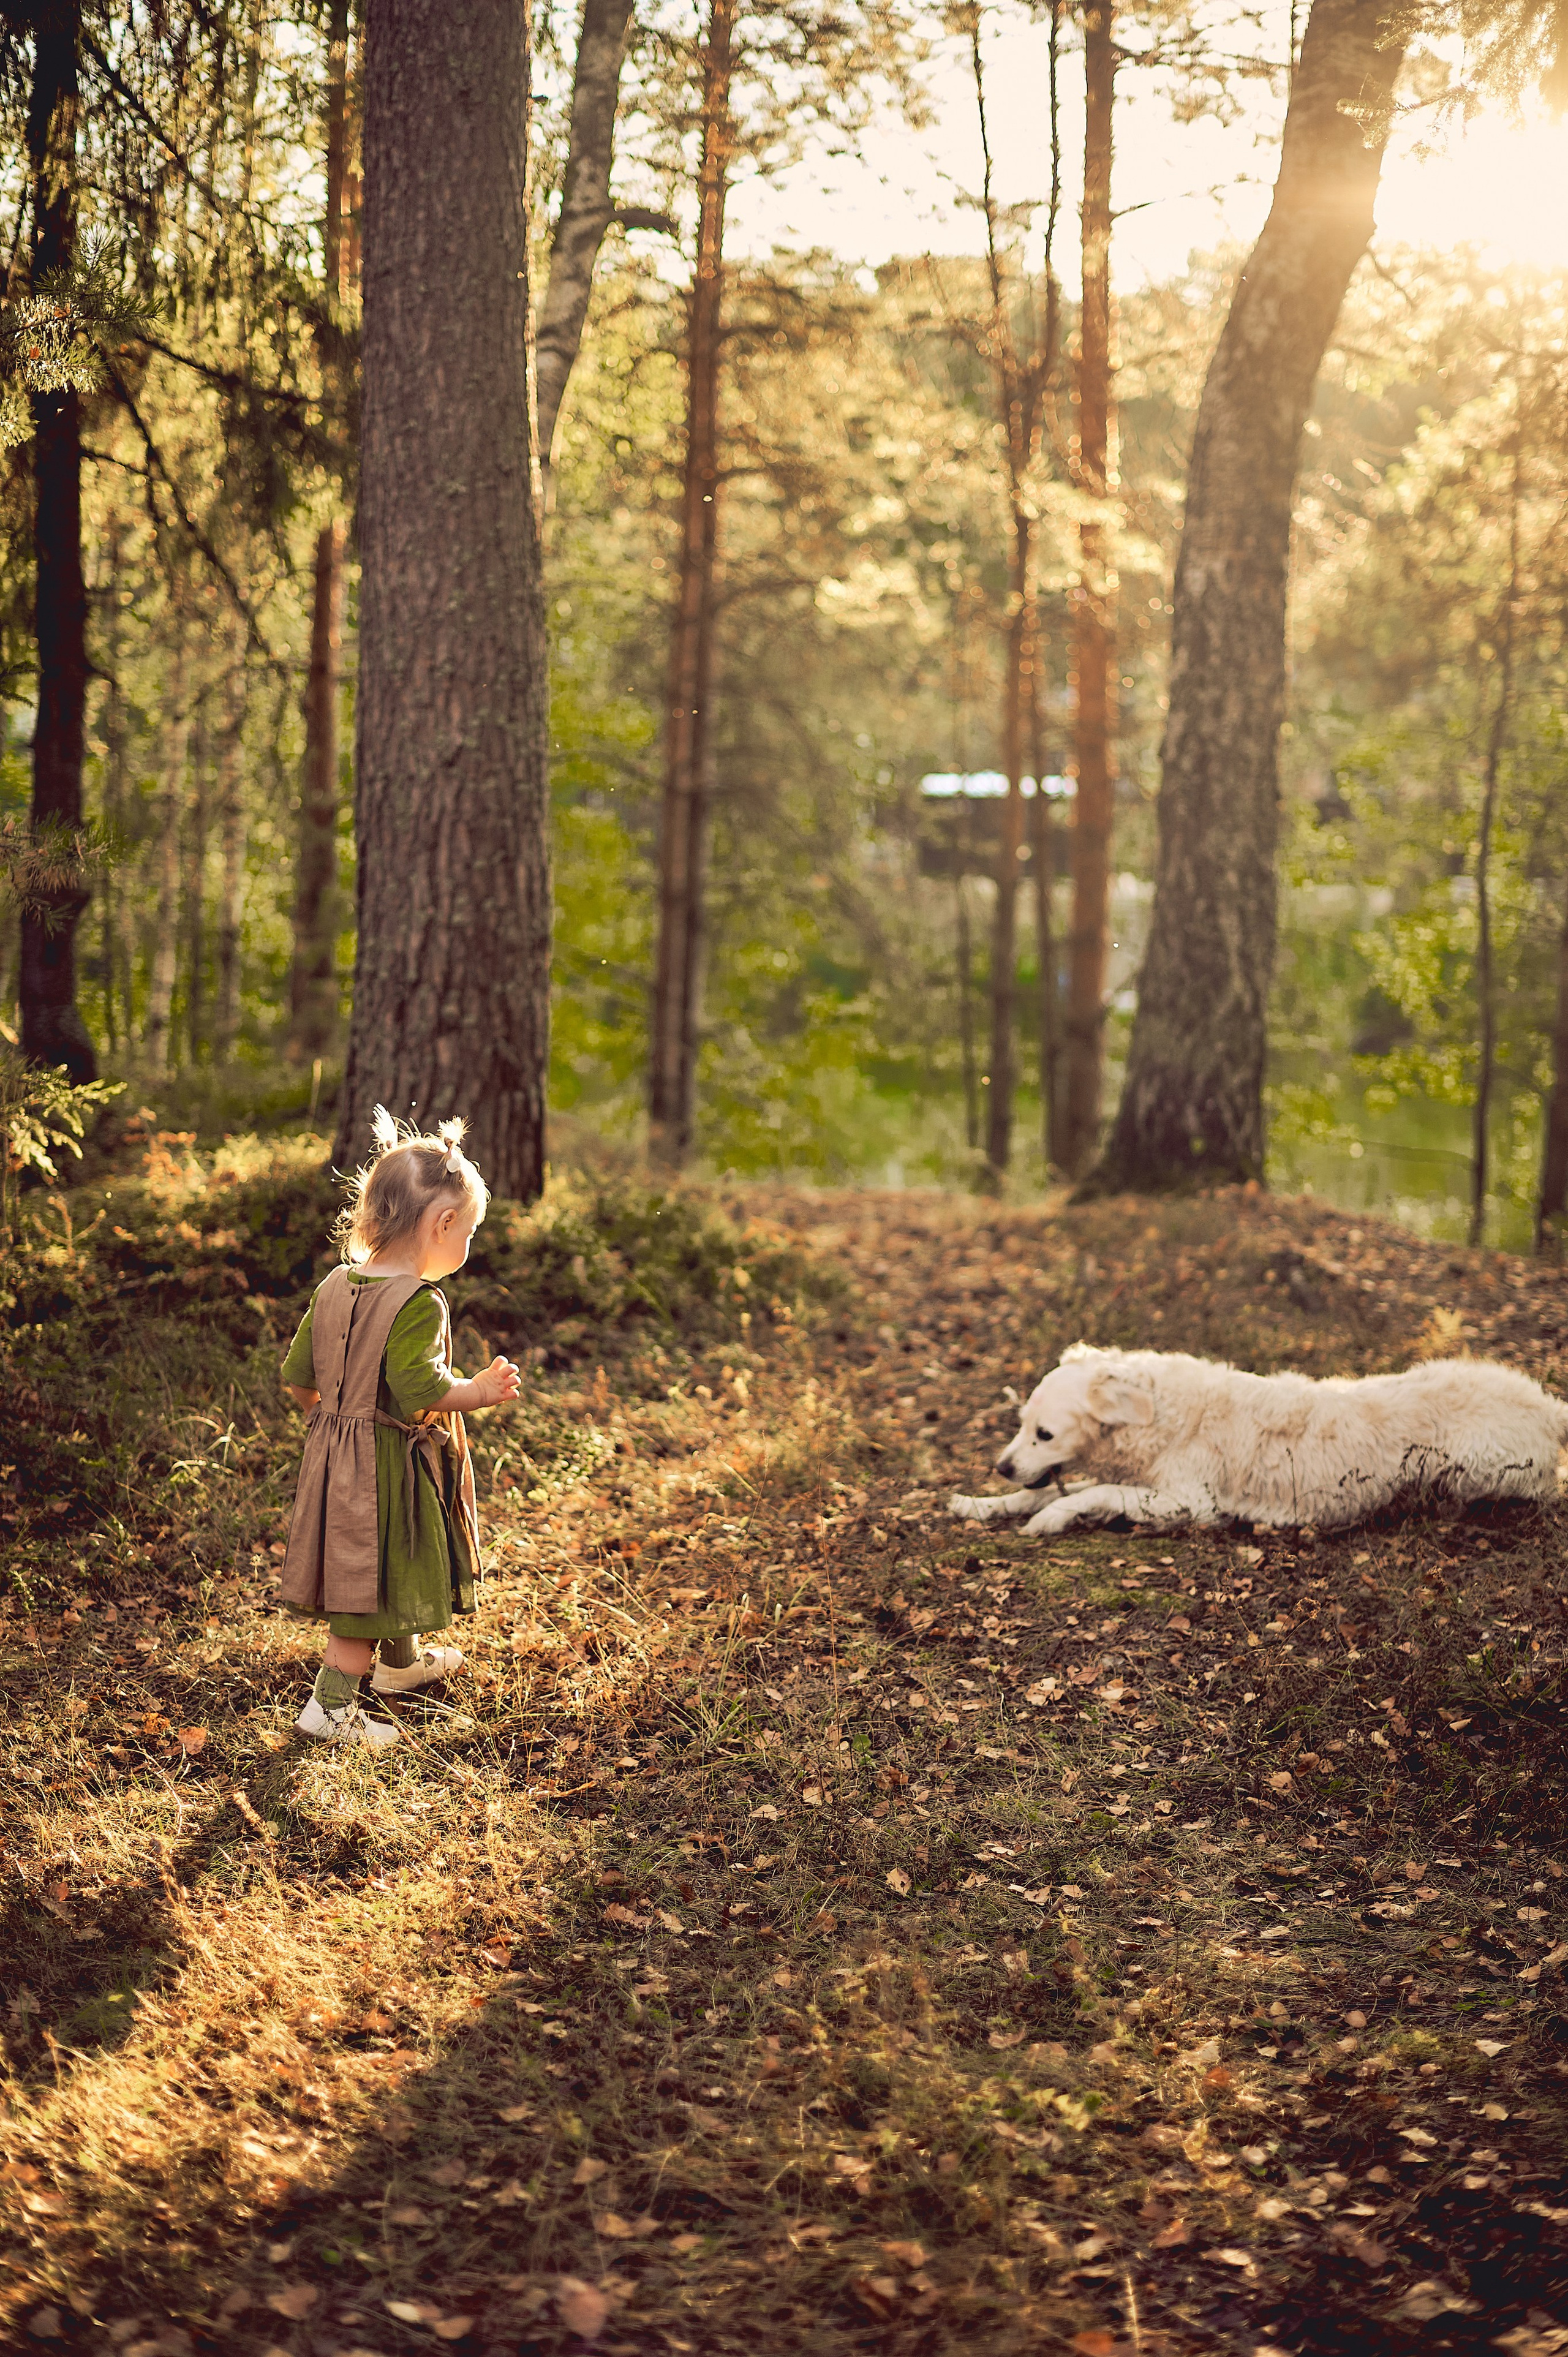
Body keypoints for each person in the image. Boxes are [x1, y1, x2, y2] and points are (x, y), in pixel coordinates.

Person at [278, 1109, 521, 1747]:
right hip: (383, 1459)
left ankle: (400, 1663)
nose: (467, 1244)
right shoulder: (419, 1299)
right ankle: (328, 1710)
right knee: (365, 1580)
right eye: (468, 1231)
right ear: (442, 1225)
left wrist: (332, 1425)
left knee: (394, 1559)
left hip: (337, 1452)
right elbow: (421, 1386)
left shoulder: (336, 1281)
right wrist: (478, 1390)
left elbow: (298, 1372)